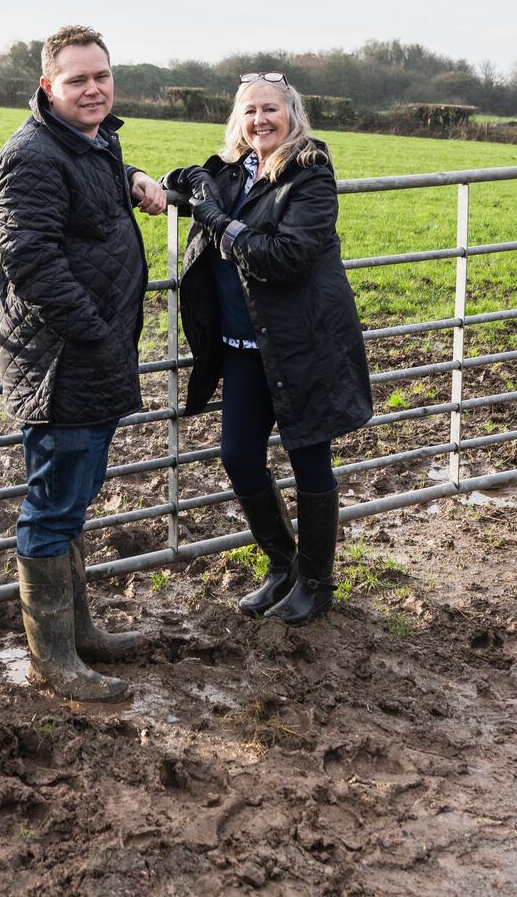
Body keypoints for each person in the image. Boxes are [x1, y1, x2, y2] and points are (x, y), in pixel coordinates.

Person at [0, 24, 169, 700]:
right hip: (63, 358)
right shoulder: (31, 155)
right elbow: (30, 260)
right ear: (47, 87)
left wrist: (134, 177)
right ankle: (52, 659)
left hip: (92, 352)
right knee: (53, 503)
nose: (92, 90)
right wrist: (94, 332)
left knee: (73, 496)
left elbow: (90, 182)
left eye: (101, 76)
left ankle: (79, 636)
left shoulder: (91, 140)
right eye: (76, 80)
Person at [164, 74, 371, 626]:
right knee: (237, 455)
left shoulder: (309, 173)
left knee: (308, 456)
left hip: (301, 343)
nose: (260, 120)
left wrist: (218, 223)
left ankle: (316, 582)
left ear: (292, 114)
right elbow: (182, 179)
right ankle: (282, 564)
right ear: (239, 119)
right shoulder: (233, 171)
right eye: (250, 111)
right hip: (241, 344)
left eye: (271, 110)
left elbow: (284, 257)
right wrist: (192, 182)